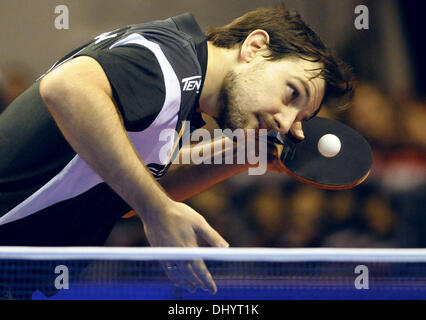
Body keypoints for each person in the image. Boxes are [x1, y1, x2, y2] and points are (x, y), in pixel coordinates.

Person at [0, 4, 353, 295]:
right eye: (292, 93)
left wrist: (243, 153)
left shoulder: (179, 92)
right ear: (255, 47)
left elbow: (121, 190)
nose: (285, 121)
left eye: (298, 117)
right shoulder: (167, 61)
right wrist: (157, 210)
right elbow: (66, 88)